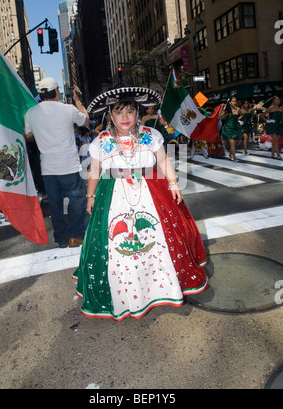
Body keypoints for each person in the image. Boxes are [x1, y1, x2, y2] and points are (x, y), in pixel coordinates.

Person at [73, 86, 208, 321]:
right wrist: (91, 197)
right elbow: (94, 171)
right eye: (119, 112)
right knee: (118, 244)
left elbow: (163, 160)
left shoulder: (151, 134)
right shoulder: (101, 140)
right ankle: (128, 294)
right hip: (113, 194)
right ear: (109, 115)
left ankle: (161, 288)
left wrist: (174, 183)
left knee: (160, 239)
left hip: (152, 190)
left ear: (138, 112)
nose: (125, 118)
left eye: (130, 111)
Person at [24, 78, 90, 248]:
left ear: (41, 94)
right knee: (78, 200)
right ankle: (74, 236)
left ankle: (61, 239)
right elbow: (85, 121)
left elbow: (28, 136)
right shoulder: (67, 109)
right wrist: (77, 101)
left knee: (55, 205)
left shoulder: (30, 113)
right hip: (68, 165)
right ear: (56, 92)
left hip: (47, 168)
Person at [219, 97, 242, 162]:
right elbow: (220, 117)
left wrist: (238, 119)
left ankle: (230, 154)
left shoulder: (238, 109)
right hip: (228, 128)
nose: (235, 103)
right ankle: (234, 157)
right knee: (232, 143)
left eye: (235, 101)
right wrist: (221, 108)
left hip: (235, 128)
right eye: (233, 101)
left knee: (233, 143)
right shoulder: (227, 111)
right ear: (230, 102)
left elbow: (241, 115)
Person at [261, 95, 283, 160]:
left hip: (279, 126)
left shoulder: (281, 109)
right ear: (273, 101)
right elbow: (262, 116)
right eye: (276, 99)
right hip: (272, 126)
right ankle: (278, 155)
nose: (278, 101)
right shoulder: (270, 108)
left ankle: (272, 154)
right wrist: (267, 120)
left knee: (276, 140)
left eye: (279, 99)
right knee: (275, 140)